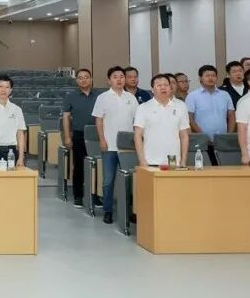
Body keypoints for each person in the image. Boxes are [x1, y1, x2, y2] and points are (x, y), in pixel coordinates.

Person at [93, 66, 139, 224]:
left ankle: (131, 211)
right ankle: (108, 211)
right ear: (109, 80)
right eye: (115, 77)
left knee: (131, 180)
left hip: (128, 147)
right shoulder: (103, 98)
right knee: (108, 181)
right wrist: (102, 140)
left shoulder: (131, 98)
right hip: (110, 145)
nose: (119, 79)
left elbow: (137, 121)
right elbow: (99, 120)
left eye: (121, 76)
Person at [61, 68, 101, 207]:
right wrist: (67, 137)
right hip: (79, 134)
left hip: (97, 134)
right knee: (79, 165)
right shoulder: (71, 96)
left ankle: (96, 196)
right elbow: (66, 117)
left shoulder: (99, 95)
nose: (83, 80)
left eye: (86, 77)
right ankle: (78, 195)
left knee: (97, 165)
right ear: (76, 80)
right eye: (80, 77)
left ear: (91, 79)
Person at [133, 74, 191, 168]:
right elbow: (137, 136)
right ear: (152, 89)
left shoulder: (181, 106)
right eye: (159, 85)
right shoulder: (143, 108)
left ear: (170, 88)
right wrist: (142, 161)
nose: (163, 88)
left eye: (166, 85)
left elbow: (184, 135)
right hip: (150, 161)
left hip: (173, 160)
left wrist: (183, 160)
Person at [185, 65, 235, 166]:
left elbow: (231, 116)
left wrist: (228, 135)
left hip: (223, 141)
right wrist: (202, 136)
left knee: (224, 168)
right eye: (207, 75)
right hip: (202, 142)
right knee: (205, 168)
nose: (210, 78)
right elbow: (189, 118)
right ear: (200, 78)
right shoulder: (193, 96)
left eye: (213, 75)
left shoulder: (225, 95)